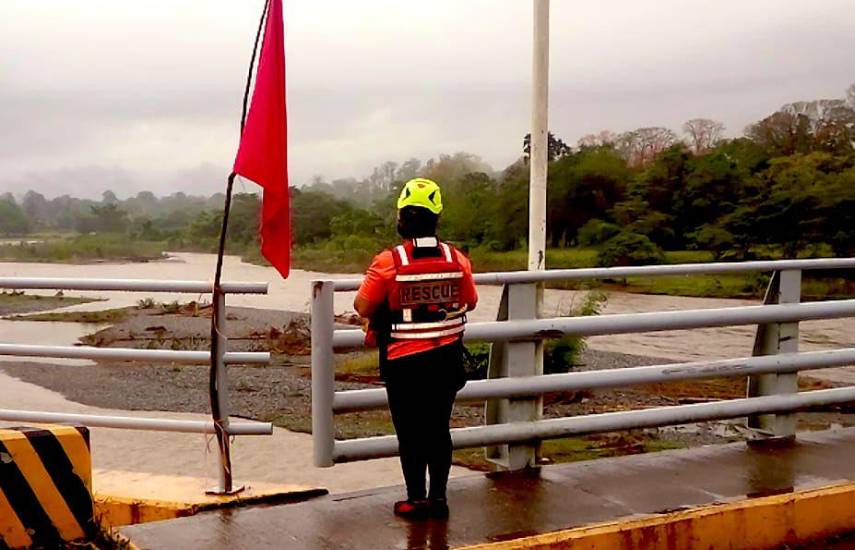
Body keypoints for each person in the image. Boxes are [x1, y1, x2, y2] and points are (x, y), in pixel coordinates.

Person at [354, 178, 478, 519]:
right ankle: (438, 499)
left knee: (409, 433)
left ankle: (415, 499)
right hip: (447, 359)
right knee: (439, 429)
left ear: (401, 219)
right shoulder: (458, 259)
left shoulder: (388, 262)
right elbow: (470, 301)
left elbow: (363, 306)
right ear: (436, 218)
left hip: (404, 363)